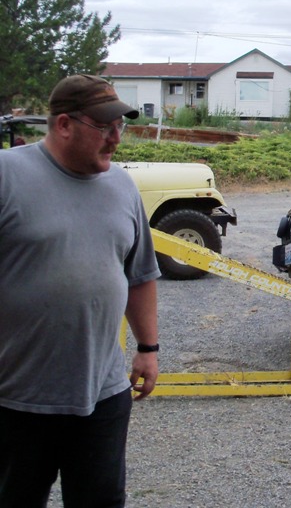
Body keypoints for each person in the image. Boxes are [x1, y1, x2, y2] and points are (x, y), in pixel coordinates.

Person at [0, 74, 161, 506]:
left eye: (121, 126)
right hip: (15, 399)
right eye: (104, 126)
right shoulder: (6, 176)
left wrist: (148, 346)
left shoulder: (123, 186)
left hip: (102, 396)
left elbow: (140, 274)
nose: (116, 138)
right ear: (64, 125)